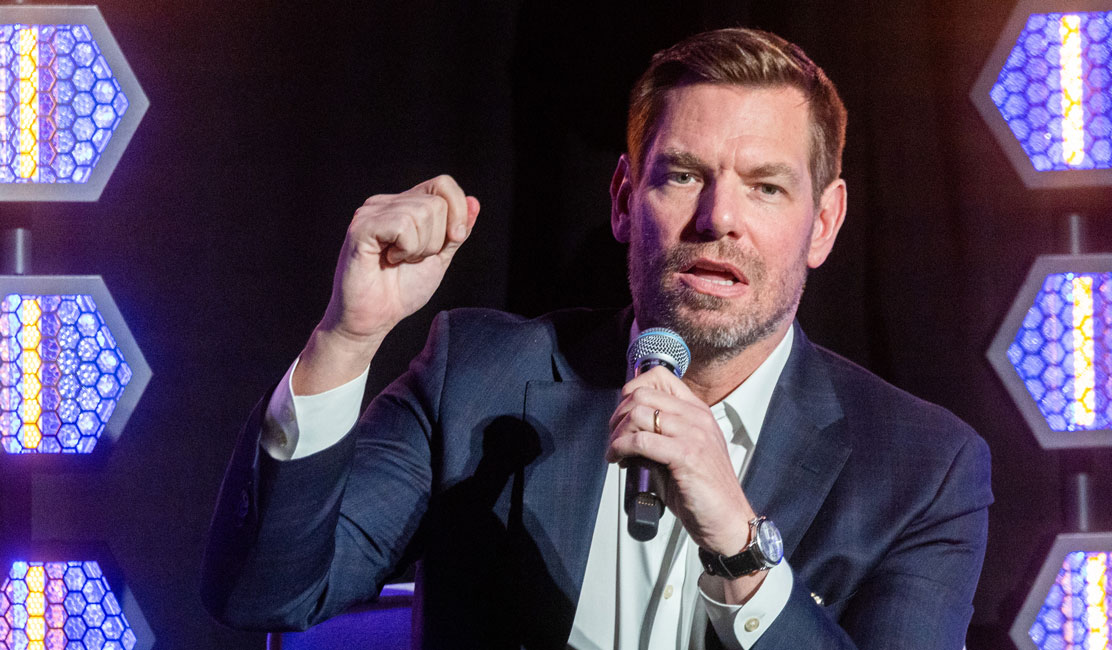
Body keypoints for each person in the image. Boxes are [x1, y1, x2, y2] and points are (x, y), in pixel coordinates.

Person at [202, 28, 991, 649]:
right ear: (622, 199)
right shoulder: (476, 376)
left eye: (766, 186)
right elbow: (264, 593)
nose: (719, 217)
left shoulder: (924, 468)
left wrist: (740, 546)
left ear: (823, 223)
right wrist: (348, 336)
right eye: (682, 175)